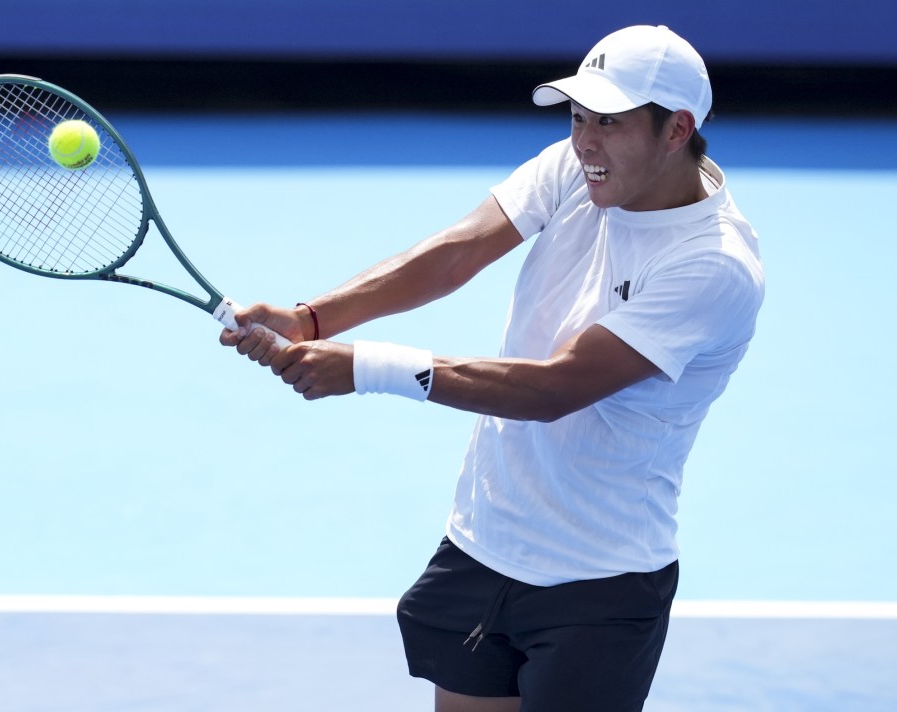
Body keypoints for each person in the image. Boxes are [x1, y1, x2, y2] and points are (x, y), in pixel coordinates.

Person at [220, 24, 765, 712]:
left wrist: (366, 368)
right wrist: (312, 318)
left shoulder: (713, 264)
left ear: (677, 129)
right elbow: (455, 254)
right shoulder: (575, 170)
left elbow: (554, 388)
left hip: (600, 583)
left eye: (609, 122)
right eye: (578, 117)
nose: (585, 141)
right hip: (486, 541)